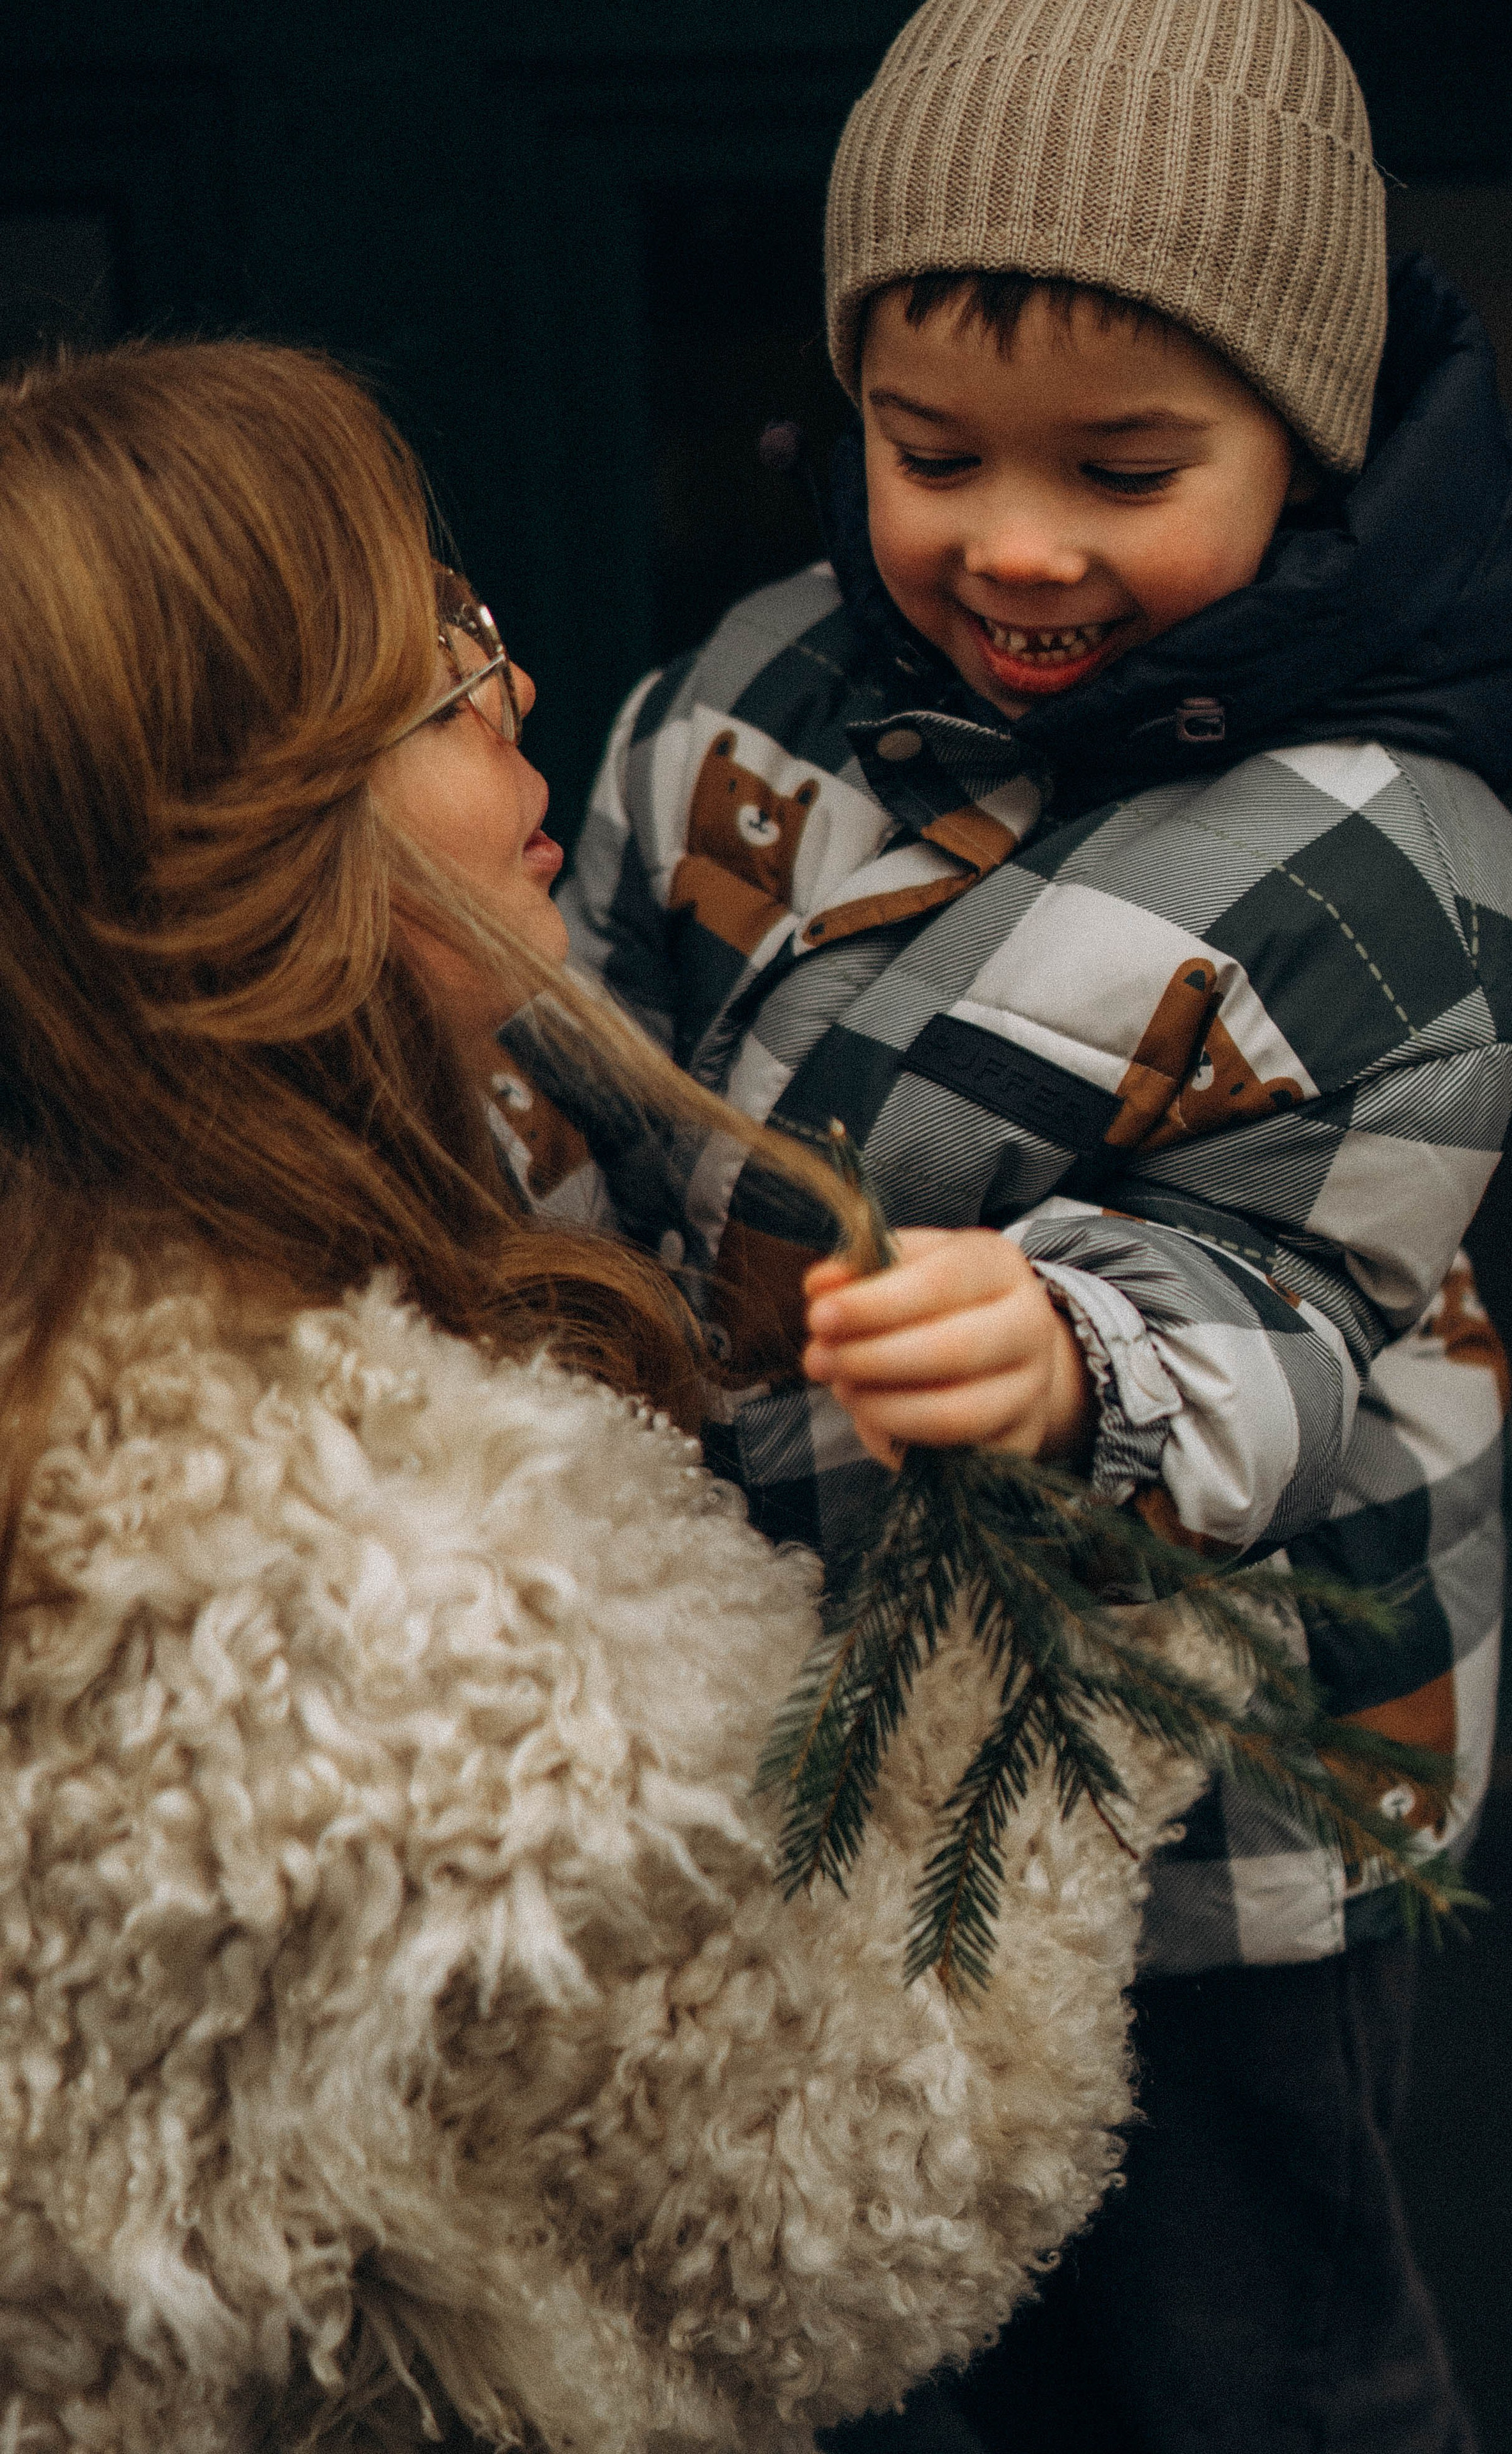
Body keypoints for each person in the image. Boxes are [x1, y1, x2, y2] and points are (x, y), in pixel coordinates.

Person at [0, 339, 1217, 2454]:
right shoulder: (401, 1600)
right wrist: (1116, 1598)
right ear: (269, 822)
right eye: (441, 661)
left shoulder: (105, 1343)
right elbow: (857, 2204)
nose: (521, 693)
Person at [555, 3, 1512, 2447]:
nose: (1012, 541)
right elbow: (580, 1024)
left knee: (1244, 2332)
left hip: (1226, 1775)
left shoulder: (1390, 869)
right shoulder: (763, 685)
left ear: (1302, 451)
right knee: (872, 2283)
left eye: (1126, 470)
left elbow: (1303, 1296)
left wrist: (1086, 1345)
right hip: (819, 1696)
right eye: (931, 453)